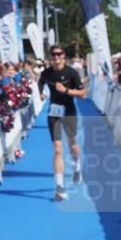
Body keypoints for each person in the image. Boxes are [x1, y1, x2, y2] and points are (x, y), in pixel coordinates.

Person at [37, 45, 86, 201]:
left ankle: (76, 165)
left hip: (69, 112)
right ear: (50, 57)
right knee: (58, 149)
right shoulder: (46, 73)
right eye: (53, 55)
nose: (56, 57)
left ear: (64, 56)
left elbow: (83, 94)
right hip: (54, 113)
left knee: (72, 145)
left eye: (59, 54)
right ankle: (59, 187)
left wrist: (66, 91)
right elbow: (40, 83)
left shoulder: (71, 73)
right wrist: (41, 94)